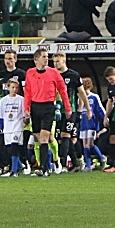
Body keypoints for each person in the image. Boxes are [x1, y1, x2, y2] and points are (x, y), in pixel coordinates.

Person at [24, 49, 71, 177]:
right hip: (35, 106)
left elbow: (62, 90)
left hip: (48, 107)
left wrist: (67, 107)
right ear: (36, 59)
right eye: (44, 57)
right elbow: (27, 91)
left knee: (45, 136)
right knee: (37, 138)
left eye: (47, 56)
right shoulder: (30, 73)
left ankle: (44, 168)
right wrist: (26, 108)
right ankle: (44, 165)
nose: (46, 59)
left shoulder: (54, 73)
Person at [0, 79, 27, 177]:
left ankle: (14, 171)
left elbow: (24, 115)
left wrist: (26, 120)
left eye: (16, 88)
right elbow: (0, 116)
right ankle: (20, 165)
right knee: (9, 149)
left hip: (17, 127)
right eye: (12, 87)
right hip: (7, 128)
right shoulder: (3, 100)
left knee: (14, 148)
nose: (14, 90)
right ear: (8, 87)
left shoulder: (21, 100)